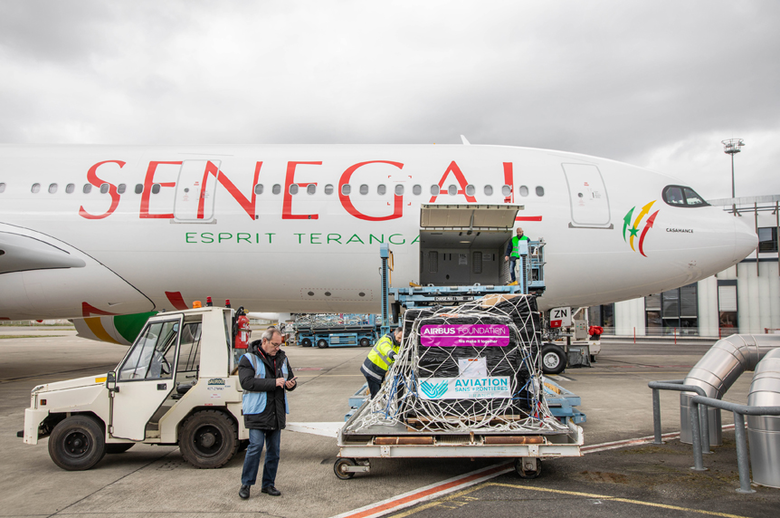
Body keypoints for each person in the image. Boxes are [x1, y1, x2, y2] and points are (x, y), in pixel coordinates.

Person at [238, 328, 296, 500]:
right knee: (255, 448)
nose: (277, 348)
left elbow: (288, 379)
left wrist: (290, 385)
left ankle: (268, 484)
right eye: (274, 344)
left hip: (276, 412)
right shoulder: (248, 359)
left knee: (274, 452)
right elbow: (246, 382)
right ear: (264, 341)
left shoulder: (282, 358)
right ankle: (246, 484)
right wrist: (273, 383)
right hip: (257, 411)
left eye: (279, 345)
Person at [360, 327, 403, 399]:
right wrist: (392, 354)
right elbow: (385, 347)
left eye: (402, 338)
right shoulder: (386, 339)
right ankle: (376, 406)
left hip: (379, 371)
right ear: (395, 333)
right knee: (376, 394)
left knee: (379, 392)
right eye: (399, 338)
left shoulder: (398, 345)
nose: (400, 340)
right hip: (372, 369)